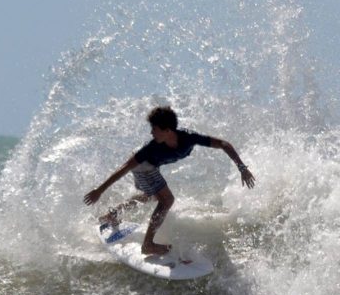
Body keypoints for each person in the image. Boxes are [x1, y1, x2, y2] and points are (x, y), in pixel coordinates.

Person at [83, 106, 256, 255]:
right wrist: (99, 190)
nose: (151, 132)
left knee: (152, 196)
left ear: (167, 131)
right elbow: (125, 167)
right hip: (143, 166)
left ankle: (112, 215)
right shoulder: (151, 147)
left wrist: (242, 167)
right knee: (167, 200)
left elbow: (223, 144)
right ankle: (148, 244)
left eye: (154, 128)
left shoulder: (189, 137)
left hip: (150, 168)